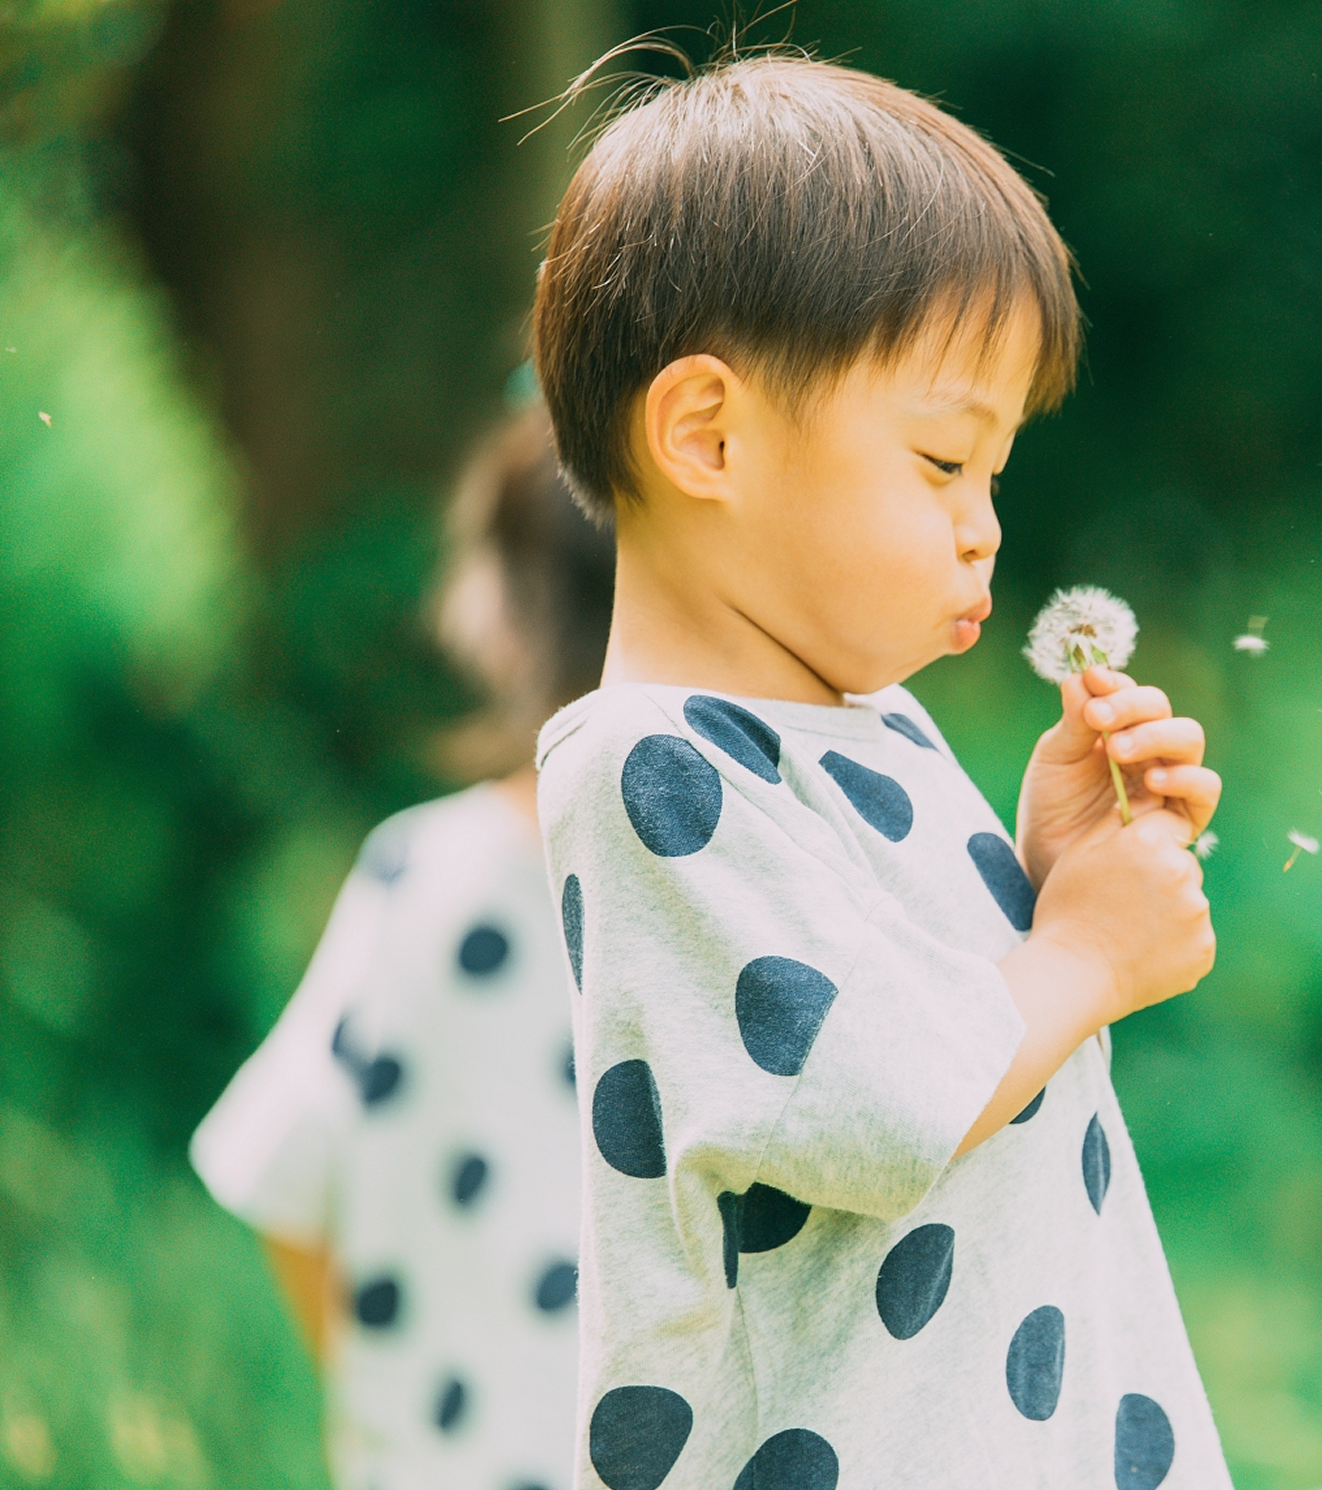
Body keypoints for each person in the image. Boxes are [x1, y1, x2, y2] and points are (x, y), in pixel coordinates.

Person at [530, 55, 1229, 1488]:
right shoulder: (647, 767)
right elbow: (872, 1101)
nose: (982, 529)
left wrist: (1044, 878)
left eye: (994, 476)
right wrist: (1089, 954)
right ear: (709, 433)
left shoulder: (877, 722)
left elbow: (950, 1036)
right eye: (937, 461)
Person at [190, 404, 612, 1490]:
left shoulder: (423, 875)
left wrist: (403, 1411)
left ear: (501, 617)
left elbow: (282, 1179)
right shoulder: (751, 891)